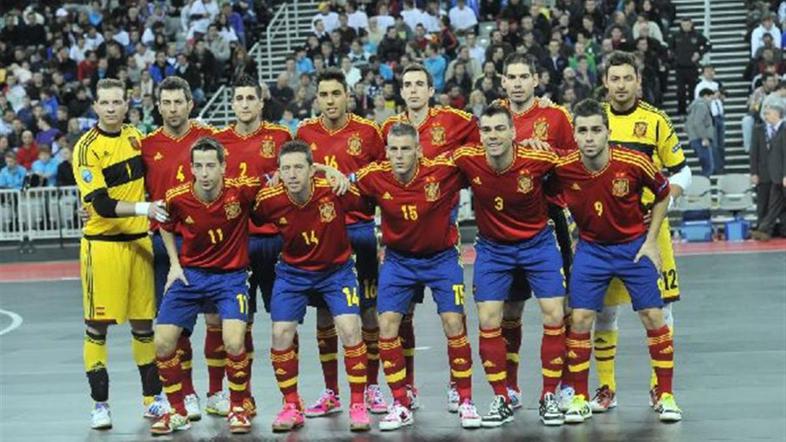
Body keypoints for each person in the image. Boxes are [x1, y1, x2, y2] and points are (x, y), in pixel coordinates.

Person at [574, 51, 691, 415]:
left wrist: (665, 202)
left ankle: (660, 388)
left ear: (638, 81)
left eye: (628, 78)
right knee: (604, 312)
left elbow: (682, 171)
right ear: (605, 82)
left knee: (661, 310)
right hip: (603, 232)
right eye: (615, 79)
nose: (621, 85)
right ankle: (606, 388)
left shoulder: (655, 120)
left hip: (648, 230)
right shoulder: (593, 119)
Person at [553, 98, 682, 424]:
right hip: (591, 250)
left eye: (596, 130)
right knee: (580, 319)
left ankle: (666, 395)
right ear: (574, 135)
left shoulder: (634, 161)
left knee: (654, 316)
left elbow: (664, 192)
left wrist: (651, 240)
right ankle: (580, 398)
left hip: (632, 247)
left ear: (608, 132)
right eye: (583, 131)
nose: (589, 137)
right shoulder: (563, 166)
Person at [354, 122, 480, 431]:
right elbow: (342, 183)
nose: (399, 155)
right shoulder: (373, 176)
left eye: (406, 149)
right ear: (386, 152)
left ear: (419, 150)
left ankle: (465, 400)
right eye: (394, 149)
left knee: (454, 323)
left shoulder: (443, 172)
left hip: (441, 258)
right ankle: (400, 402)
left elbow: (483, 164)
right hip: (399, 261)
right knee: (386, 326)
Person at [453, 104, 567, 427]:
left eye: (500, 129)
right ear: (480, 135)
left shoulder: (538, 158)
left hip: (538, 244)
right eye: (487, 130)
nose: (493, 136)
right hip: (493, 249)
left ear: (514, 132)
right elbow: (427, 166)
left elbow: (575, 163)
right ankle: (502, 396)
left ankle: (549, 396)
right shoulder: (466, 159)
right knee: (488, 319)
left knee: (555, 314)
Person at [251, 140, 371, 433]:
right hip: (292, 273)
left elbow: (366, 203)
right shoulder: (269, 198)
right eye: (286, 168)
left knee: (350, 329)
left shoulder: (333, 188)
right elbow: (252, 216)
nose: (292, 174)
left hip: (337, 271)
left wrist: (335, 172)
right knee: (280, 333)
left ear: (311, 169)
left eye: (298, 168)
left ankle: (358, 404)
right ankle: (292, 405)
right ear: (279, 171)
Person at [380, 64, 480, 411]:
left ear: (431, 90)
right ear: (401, 91)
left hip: (441, 221)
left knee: (452, 316)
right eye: (407, 84)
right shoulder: (390, 129)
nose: (413, 90)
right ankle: (406, 386)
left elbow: (484, 142)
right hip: (404, 232)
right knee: (401, 315)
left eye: (419, 84)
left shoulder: (455, 121)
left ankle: (457, 384)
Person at [72, 78, 169, 430]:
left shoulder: (135, 137)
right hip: (103, 247)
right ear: (95, 107)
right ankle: (100, 405)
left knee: (144, 325)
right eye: (105, 103)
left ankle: (152, 400)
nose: (111, 108)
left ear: (127, 105)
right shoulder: (86, 148)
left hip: (139, 243)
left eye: (117, 102)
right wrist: (145, 208)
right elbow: (100, 204)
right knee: (97, 326)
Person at [294, 69, 388, 417]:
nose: (330, 100)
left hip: (359, 231)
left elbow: (383, 180)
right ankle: (331, 391)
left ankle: (372, 387)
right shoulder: (304, 133)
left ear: (348, 96)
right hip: (320, 235)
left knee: (368, 311)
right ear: (316, 98)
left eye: (336, 93)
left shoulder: (368, 132)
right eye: (324, 94)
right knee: (324, 313)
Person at [151, 137, 256, 435]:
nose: (205, 172)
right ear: (192, 169)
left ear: (223, 166)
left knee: (234, 342)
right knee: (162, 342)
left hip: (231, 278)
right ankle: (177, 411)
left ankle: (238, 407)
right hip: (190, 277)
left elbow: (282, 177)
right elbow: (164, 224)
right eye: (199, 166)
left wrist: (326, 171)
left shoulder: (241, 190)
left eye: (211, 165)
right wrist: (174, 264)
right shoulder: (177, 196)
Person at [496, 53, 578, 409]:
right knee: (510, 308)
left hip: (550, 217)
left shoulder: (555, 116)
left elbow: (575, 161)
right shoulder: (494, 117)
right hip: (507, 221)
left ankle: (564, 386)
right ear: (503, 81)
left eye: (523, 77)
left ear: (535, 80)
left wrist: (548, 152)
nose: (517, 84)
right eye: (511, 77)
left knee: (561, 305)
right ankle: (511, 387)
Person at [140, 76, 219, 420]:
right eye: (166, 103)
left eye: (178, 102)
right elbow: (128, 189)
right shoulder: (145, 146)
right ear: (158, 106)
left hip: (208, 241)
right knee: (176, 326)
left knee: (217, 319)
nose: (173, 109)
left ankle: (217, 392)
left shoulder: (209, 139)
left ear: (190, 104)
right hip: (164, 243)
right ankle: (187, 394)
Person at [212, 75, 292, 414]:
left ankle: (291, 400)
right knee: (238, 325)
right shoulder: (218, 143)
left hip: (276, 241)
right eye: (239, 98)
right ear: (232, 104)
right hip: (237, 244)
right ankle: (242, 397)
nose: (244, 104)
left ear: (261, 103)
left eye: (250, 98)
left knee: (283, 323)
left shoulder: (281, 137)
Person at [751, 103, 786, 241]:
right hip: (776, 176)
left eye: (768, 113)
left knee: (776, 205)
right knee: (774, 205)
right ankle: (764, 230)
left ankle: (763, 229)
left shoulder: (784, 130)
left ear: (777, 114)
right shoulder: (777, 130)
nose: (765, 116)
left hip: (781, 176)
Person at [685, 88, 717, 176]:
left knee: (706, 165)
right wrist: (704, 138)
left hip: (695, 138)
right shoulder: (702, 106)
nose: (711, 101)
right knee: (708, 166)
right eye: (711, 98)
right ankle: (703, 183)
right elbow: (698, 122)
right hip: (700, 139)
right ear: (706, 96)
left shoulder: (695, 106)